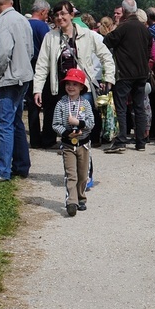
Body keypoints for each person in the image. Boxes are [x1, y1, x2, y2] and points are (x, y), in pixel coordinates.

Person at [34, 0, 115, 147]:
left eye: (63, 14)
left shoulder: (88, 35)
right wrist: (37, 89)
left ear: (71, 15)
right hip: (60, 84)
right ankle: (68, 145)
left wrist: (109, 78)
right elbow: (42, 65)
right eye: (56, 15)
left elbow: (106, 56)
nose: (60, 17)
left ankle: (85, 143)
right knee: (62, 116)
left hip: (83, 85)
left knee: (84, 114)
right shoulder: (50, 37)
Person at [0, 0, 34, 183]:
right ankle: (21, 165)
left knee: (4, 125)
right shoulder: (23, 20)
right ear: (11, 1)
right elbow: (30, 50)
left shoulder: (2, 22)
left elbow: (2, 54)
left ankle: (1, 170)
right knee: (16, 122)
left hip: (8, 79)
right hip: (23, 77)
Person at [102, 0, 150, 153]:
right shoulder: (144, 28)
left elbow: (107, 41)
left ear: (123, 11)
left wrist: (116, 25)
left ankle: (121, 140)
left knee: (121, 107)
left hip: (125, 73)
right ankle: (141, 142)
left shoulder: (123, 27)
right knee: (139, 107)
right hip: (141, 73)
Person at [52, 68, 94, 217]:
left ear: (81, 87)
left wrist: (79, 124)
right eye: (68, 84)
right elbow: (56, 124)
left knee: (82, 175)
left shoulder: (86, 103)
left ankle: (81, 198)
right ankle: (71, 202)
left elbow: (91, 123)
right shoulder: (61, 104)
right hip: (68, 145)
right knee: (71, 175)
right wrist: (66, 133)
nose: (71, 87)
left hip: (83, 144)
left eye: (75, 84)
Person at [28, 0, 52, 148]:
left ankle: (35, 139)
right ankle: (47, 138)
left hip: (27, 66)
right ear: (43, 12)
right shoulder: (42, 27)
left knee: (32, 104)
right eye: (47, 13)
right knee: (48, 103)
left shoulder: (24, 24)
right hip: (41, 66)